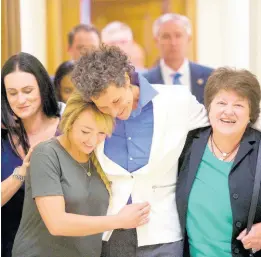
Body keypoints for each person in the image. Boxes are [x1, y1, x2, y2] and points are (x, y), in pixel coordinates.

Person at [12, 91, 150, 257]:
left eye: (101, 133)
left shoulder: (99, 158)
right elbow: (57, 223)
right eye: (85, 131)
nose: (92, 141)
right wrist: (119, 221)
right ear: (69, 123)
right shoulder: (46, 154)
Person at [176, 67, 261, 257]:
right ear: (209, 107)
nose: (228, 111)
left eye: (239, 105)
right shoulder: (188, 144)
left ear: (251, 114)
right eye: (221, 102)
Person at [1, 52, 61, 257]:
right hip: (12, 248)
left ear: (42, 87)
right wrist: (21, 173)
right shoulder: (3, 137)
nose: (21, 100)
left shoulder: (69, 129)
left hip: (65, 248)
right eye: (12, 93)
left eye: (27, 90)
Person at [143, 13, 213, 104]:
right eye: (166, 36)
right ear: (156, 41)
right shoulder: (145, 82)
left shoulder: (210, 77)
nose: (173, 42)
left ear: (189, 39)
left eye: (178, 35)